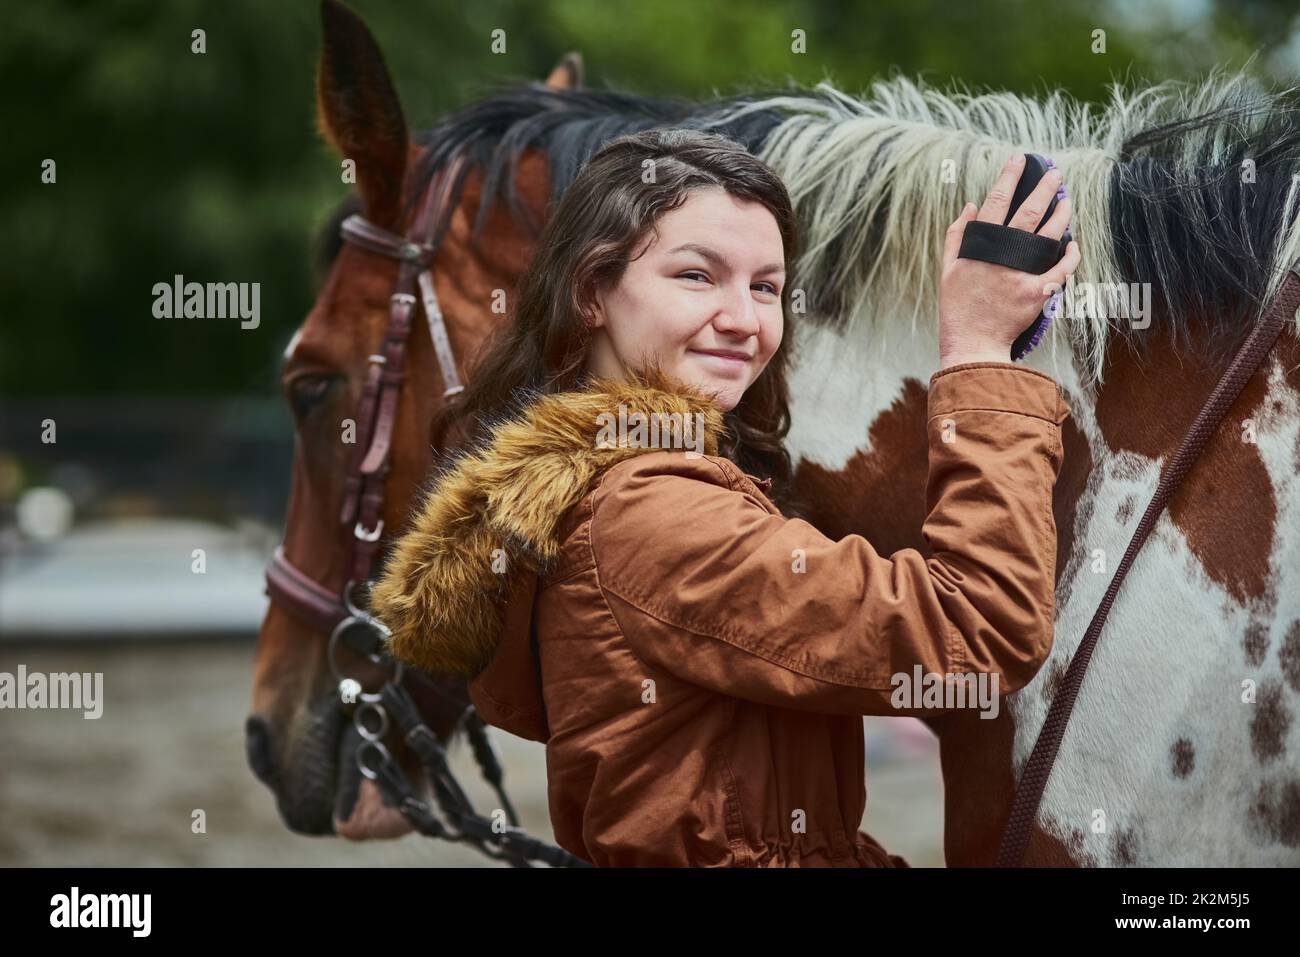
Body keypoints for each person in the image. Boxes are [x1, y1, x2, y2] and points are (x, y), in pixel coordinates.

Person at [369, 130, 1078, 867]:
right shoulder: (651, 513)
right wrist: (978, 354)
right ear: (590, 292)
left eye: (765, 286)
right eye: (698, 276)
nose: (745, 319)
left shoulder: (613, 489)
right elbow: (977, 630)